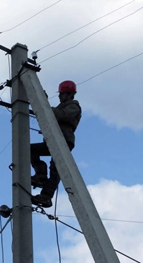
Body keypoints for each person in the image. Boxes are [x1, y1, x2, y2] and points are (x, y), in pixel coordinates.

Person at [30, 80, 82, 208]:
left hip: (64, 140)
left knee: (55, 168)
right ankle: (41, 175)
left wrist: (44, 103)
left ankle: (46, 196)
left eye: (61, 94)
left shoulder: (73, 107)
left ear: (69, 94)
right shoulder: (62, 106)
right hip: (53, 140)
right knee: (30, 149)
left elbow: (60, 115)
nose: (59, 96)